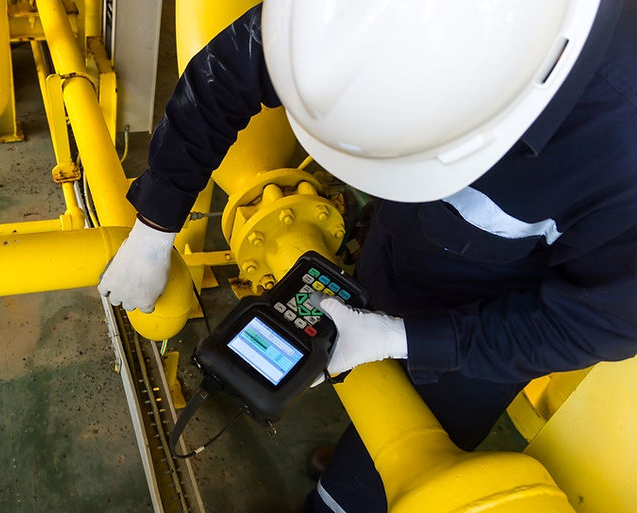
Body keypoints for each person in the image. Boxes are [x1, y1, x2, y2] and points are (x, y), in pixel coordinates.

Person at [98, 0, 637, 511]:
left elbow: (597, 321)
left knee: (369, 488)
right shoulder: (343, 26)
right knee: (354, 367)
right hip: (397, 253)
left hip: (482, 338)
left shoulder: (619, 144)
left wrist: (405, 339)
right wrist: (154, 225)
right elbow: (228, 73)